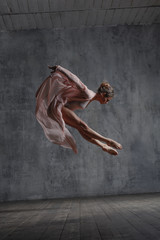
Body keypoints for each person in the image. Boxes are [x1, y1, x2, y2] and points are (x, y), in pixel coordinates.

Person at [35, 65, 122, 155]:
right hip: (57, 108)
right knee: (82, 125)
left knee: (80, 128)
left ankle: (103, 145)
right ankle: (108, 141)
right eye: (107, 100)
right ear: (103, 94)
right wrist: (59, 68)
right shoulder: (87, 94)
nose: (106, 102)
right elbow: (75, 79)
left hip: (60, 110)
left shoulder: (90, 99)